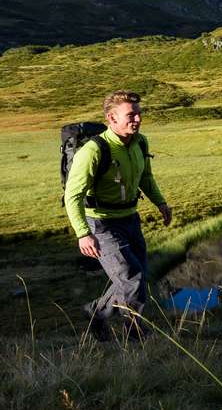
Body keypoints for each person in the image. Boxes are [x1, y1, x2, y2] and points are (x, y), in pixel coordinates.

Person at [65, 90, 173, 338]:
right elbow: (73, 196)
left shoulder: (140, 142)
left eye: (139, 114)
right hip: (101, 224)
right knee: (131, 277)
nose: (137, 119)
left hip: (130, 220)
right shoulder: (93, 151)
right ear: (111, 119)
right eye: (131, 115)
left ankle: (95, 312)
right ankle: (134, 333)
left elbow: (145, 177)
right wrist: (83, 233)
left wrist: (160, 202)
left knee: (135, 277)